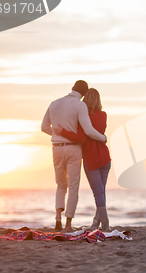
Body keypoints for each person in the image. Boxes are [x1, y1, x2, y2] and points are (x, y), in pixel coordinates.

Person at [41, 80, 107, 232]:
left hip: (56, 147)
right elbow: (88, 131)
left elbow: (44, 127)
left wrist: (57, 134)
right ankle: (68, 224)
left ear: (72, 88)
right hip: (73, 149)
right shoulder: (80, 105)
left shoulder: (54, 103)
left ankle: (57, 218)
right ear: (84, 93)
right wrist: (103, 138)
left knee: (60, 184)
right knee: (73, 187)